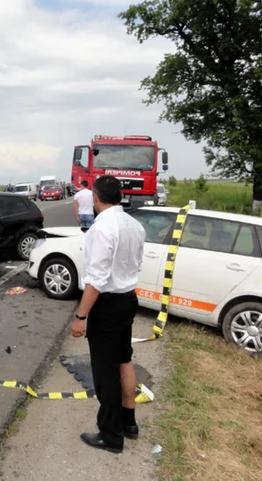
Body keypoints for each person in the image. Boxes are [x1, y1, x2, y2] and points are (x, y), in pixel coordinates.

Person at [70, 175, 146, 454]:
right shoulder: (134, 224)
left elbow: (97, 280)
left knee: (105, 372)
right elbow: (136, 263)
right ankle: (129, 423)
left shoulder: (102, 228)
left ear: (96, 197)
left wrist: (81, 317)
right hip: (128, 298)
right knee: (124, 360)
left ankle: (111, 435)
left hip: (108, 304)